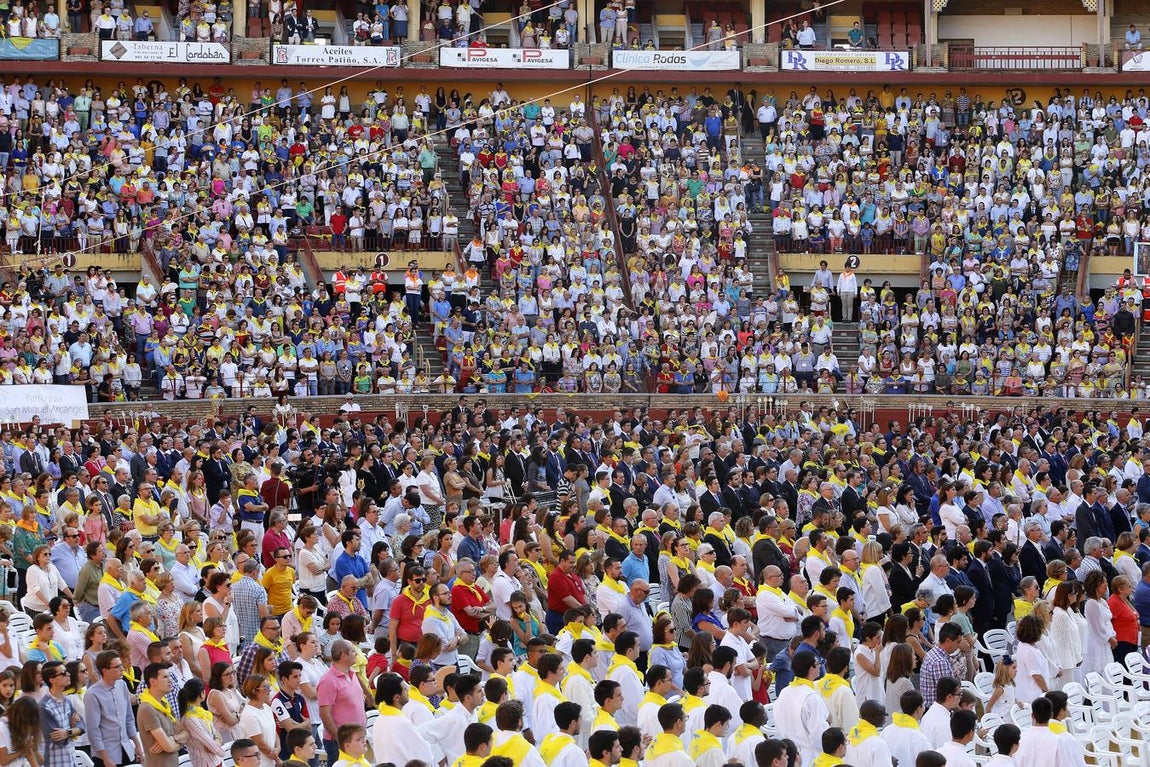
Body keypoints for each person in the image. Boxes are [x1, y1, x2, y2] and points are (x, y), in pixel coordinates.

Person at [773, 650, 829, 766]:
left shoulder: (785, 692)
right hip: (810, 757)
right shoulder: (812, 698)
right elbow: (819, 735)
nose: (820, 667)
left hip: (788, 755)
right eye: (818, 664)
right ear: (812, 669)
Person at [137, 662, 188, 767]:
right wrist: (177, 741)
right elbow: (168, 747)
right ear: (153, 681)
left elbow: (186, 733)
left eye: (169, 676)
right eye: (165, 677)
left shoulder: (164, 704)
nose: (170, 680)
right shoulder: (147, 709)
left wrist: (173, 739)